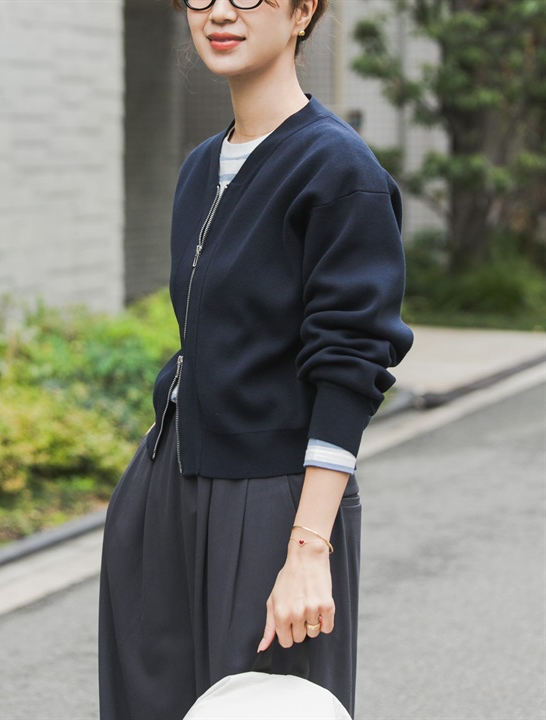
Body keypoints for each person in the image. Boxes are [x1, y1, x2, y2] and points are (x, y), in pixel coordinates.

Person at [99, 0, 413, 717]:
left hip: (272, 499)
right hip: (169, 486)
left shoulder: (338, 169)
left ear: (303, 11)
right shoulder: (200, 167)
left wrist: (308, 549)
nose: (220, 12)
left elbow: (350, 363)